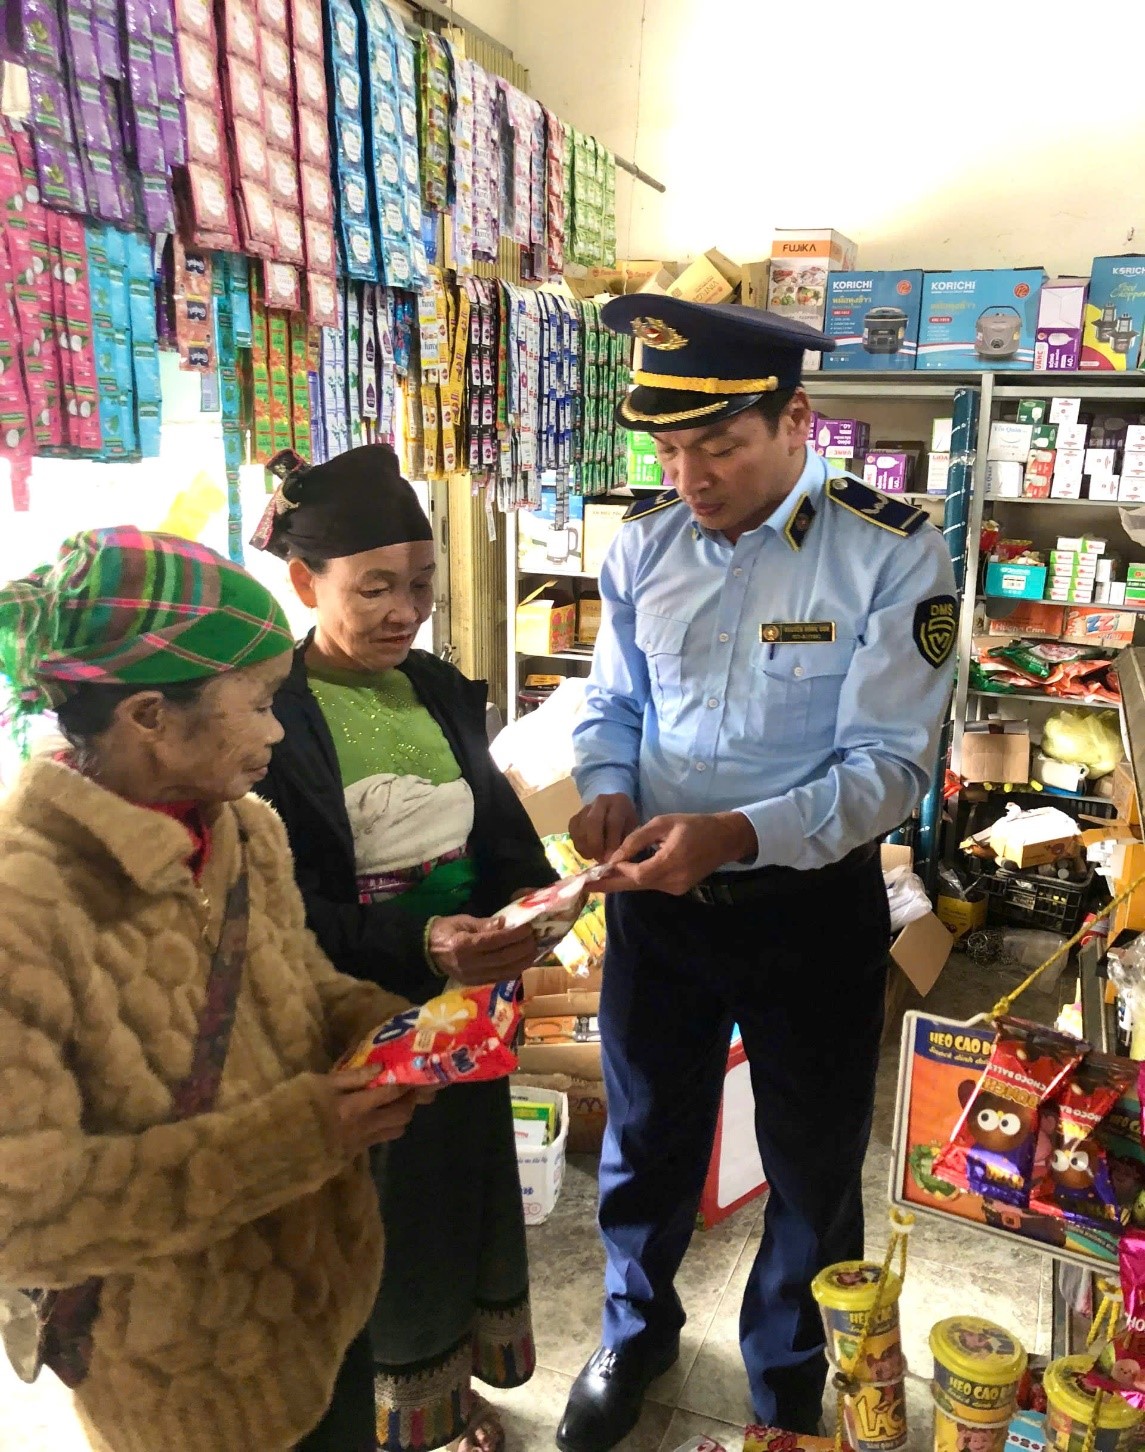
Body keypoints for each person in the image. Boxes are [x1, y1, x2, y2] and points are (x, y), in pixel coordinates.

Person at [558, 297, 958, 1452]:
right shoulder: (642, 545)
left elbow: (887, 771)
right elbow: (613, 702)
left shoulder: (888, 550)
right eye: (668, 450)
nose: (689, 477)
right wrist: (605, 783)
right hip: (658, 908)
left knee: (810, 1159)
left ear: (795, 420)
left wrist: (733, 834)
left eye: (718, 446)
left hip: (808, 910)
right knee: (646, 1136)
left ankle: (784, 1372)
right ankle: (633, 1334)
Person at [0, 527, 430, 1452]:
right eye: (261, 704)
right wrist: (305, 1136)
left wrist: (391, 1031)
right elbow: (25, 1215)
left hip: (324, 1301)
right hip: (184, 1375)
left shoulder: (243, 830)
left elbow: (299, 985)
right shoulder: (21, 908)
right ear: (149, 716)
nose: (277, 731)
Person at [251, 444, 556, 1452]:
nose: (404, 611)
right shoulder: (269, 716)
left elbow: (498, 832)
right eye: (373, 588)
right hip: (350, 1019)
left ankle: (444, 1397)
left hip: (461, 1011)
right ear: (306, 584)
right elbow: (279, 906)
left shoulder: (435, 687)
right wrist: (419, 937)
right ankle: (385, 1418)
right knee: (372, 1223)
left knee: (457, 1200)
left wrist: (532, 906)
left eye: (420, 585)